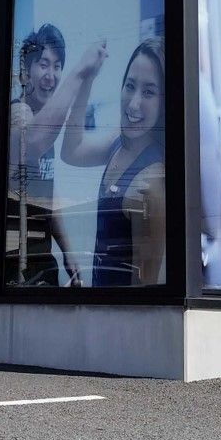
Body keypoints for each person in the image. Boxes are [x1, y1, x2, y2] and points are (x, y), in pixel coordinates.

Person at [59, 37, 167, 287]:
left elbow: (144, 289)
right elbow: (71, 151)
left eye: (149, 92)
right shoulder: (118, 143)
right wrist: (87, 77)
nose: (134, 103)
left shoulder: (151, 184)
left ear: (164, 104)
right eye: (130, 86)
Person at [8, 24, 82, 285]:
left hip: (41, 257)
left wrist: (68, 252)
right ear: (26, 72)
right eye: (43, 64)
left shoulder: (44, 126)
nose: (51, 75)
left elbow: (48, 196)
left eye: (57, 66)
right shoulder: (18, 114)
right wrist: (81, 76)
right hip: (11, 260)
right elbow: (30, 142)